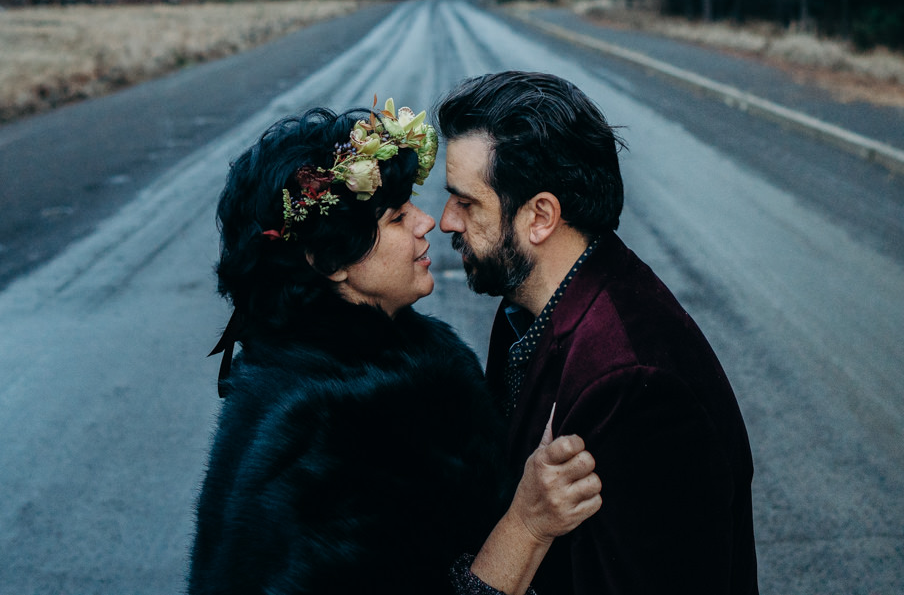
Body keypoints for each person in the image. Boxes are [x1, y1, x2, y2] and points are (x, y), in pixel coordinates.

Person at [188, 100, 602, 595]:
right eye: (396, 217)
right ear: (329, 259)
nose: (428, 222)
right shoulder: (332, 428)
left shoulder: (369, 363)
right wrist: (528, 525)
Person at [436, 72, 759, 595]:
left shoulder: (630, 384)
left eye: (466, 202)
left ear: (540, 216)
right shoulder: (528, 306)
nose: (446, 221)